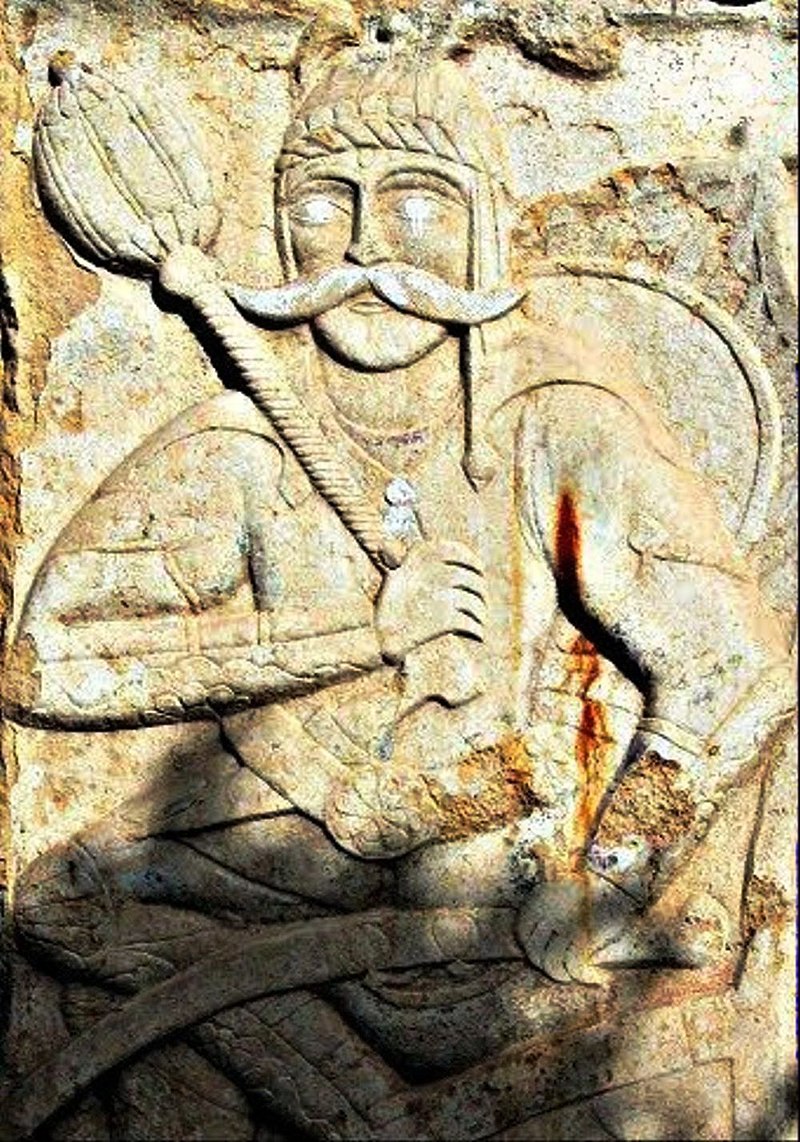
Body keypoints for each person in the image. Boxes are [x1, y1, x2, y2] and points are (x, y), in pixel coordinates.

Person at [5, 55, 793, 1135]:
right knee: (63, 900)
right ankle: (374, 1120)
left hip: (487, 855)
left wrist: (610, 880)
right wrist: (357, 633)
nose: (367, 247)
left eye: (415, 203)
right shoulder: (240, 439)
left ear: (480, 223)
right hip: (277, 836)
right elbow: (42, 665)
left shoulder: (552, 413)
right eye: (325, 205)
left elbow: (733, 665)